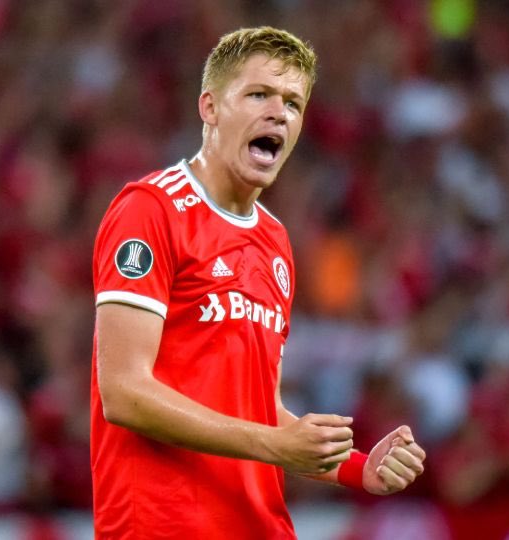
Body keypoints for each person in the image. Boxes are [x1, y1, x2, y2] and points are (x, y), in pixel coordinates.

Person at [91, 26, 427, 539]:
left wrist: (358, 469)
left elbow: (259, 409)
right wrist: (274, 446)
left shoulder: (274, 241)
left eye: (293, 103)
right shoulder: (151, 210)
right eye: (258, 95)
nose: (278, 113)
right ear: (210, 107)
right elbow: (123, 392)